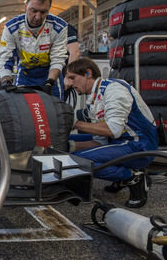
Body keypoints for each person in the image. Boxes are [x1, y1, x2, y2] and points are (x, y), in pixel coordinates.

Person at [66, 58, 158, 208]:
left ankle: (133, 177)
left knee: (79, 162)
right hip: (121, 141)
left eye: (72, 78)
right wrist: (69, 146)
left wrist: (75, 124)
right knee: (67, 142)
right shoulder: (93, 98)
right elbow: (100, 141)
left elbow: (113, 130)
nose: (69, 83)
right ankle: (122, 175)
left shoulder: (114, 90)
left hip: (141, 145)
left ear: (88, 73)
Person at [0, 0, 67, 99]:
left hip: (49, 74)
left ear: (48, 10)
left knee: (55, 112)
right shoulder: (11, 28)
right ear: (26, 7)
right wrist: (6, 81)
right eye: (34, 11)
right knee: (19, 110)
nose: (38, 17)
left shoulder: (59, 27)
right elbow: (5, 58)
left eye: (43, 12)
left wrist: (50, 82)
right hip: (25, 75)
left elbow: (58, 58)